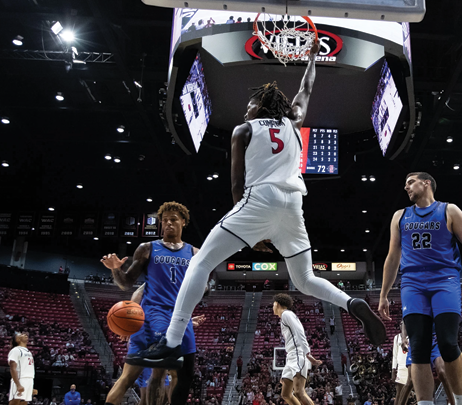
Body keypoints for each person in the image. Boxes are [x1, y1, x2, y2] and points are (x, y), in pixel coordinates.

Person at [125, 40, 385, 369]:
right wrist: (314, 57)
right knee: (304, 279)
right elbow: (306, 88)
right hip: (293, 206)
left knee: (200, 263)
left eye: (249, 104)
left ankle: (172, 341)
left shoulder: (243, 130)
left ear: (260, 105)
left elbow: (236, 185)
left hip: (258, 199)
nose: (245, 110)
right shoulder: (294, 122)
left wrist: (248, 227)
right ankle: (351, 302)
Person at [378, 172, 462, 405]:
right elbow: (393, 257)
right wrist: (384, 294)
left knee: (447, 342)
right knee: (418, 347)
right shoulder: (399, 216)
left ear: (427, 183)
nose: (406, 187)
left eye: (410, 182)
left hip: (444, 280)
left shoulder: (449, 210)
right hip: (412, 284)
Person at [100, 201, 201, 405]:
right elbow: (126, 283)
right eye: (164, 221)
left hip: (181, 317)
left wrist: (203, 286)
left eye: (173, 219)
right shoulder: (147, 249)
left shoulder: (194, 253)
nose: (168, 223)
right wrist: (115, 269)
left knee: (185, 375)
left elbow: (204, 289)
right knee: (151, 376)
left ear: (184, 221)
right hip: (155, 316)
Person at [273, 294, 322, 405]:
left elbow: (300, 332)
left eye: (273, 304)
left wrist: (307, 353)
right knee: (285, 394)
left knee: (299, 392)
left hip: (298, 355)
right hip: (290, 357)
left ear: (278, 304)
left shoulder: (286, 314)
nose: (272, 307)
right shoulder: (284, 317)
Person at [9, 331, 37, 405]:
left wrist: (30, 387)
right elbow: (12, 368)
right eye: (21, 335)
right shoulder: (15, 350)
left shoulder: (28, 351)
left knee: (24, 403)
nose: (24, 335)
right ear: (17, 340)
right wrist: (18, 384)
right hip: (20, 379)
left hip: (29, 379)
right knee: (14, 402)